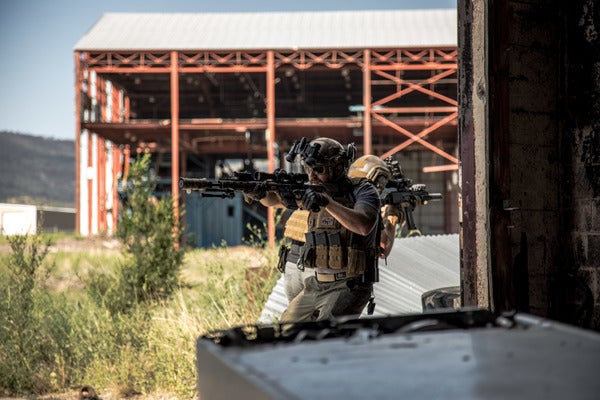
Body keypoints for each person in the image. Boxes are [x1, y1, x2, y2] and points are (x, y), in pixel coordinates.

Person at [250, 137, 382, 323]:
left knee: (327, 334)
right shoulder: (314, 189)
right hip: (316, 284)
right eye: (308, 169)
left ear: (338, 167)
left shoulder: (362, 190)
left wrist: (327, 202)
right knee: (285, 330)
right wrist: (258, 194)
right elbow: (275, 200)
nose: (311, 175)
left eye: (319, 170)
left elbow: (364, 225)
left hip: (349, 285)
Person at [277, 154, 404, 303]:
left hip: (293, 265)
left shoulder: (318, 189)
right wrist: (392, 216)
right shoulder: (354, 201)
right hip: (320, 268)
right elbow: (383, 248)